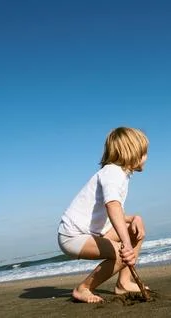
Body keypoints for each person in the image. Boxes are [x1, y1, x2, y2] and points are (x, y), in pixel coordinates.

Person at [57, 127, 149, 303]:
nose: (146, 157)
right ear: (131, 152)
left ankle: (124, 283)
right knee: (122, 254)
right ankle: (83, 289)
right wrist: (127, 245)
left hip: (93, 232)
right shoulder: (113, 172)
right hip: (73, 236)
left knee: (135, 230)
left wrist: (134, 218)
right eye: (143, 152)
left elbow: (116, 212)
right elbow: (112, 206)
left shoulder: (121, 175)